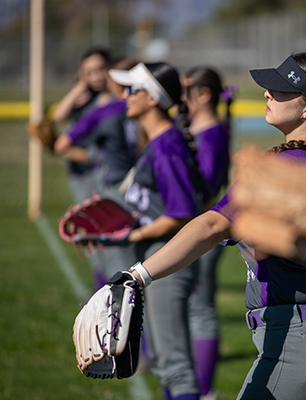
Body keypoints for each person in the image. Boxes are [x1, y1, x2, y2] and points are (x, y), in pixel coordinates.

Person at [120, 52, 306, 400]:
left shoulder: (278, 168)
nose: (267, 94)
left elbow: (213, 224)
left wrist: (137, 275)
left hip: (300, 345)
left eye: (280, 90)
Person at [109, 62, 209, 400]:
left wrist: (131, 236)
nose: (125, 96)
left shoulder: (166, 145)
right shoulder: (156, 141)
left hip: (168, 260)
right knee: (167, 363)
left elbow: (181, 213)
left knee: (174, 364)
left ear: (153, 98)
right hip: (158, 257)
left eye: (132, 89)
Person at [53, 55, 140, 286]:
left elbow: (61, 143)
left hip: (115, 190)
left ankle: (114, 314)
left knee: (118, 266)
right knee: (142, 265)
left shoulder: (106, 111)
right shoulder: (149, 105)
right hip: (144, 189)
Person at [180, 66, 235, 400]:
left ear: (203, 94)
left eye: (186, 90)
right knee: (189, 309)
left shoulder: (211, 132)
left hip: (205, 231)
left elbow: (207, 186)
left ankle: (204, 391)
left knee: (201, 310)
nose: (180, 97)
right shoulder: (193, 126)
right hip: (191, 228)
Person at [52, 46, 113, 203]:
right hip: (80, 172)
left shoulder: (110, 98)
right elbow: (58, 115)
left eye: (101, 69)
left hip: (101, 167)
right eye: (90, 72)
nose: (97, 76)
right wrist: (81, 83)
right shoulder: (84, 95)